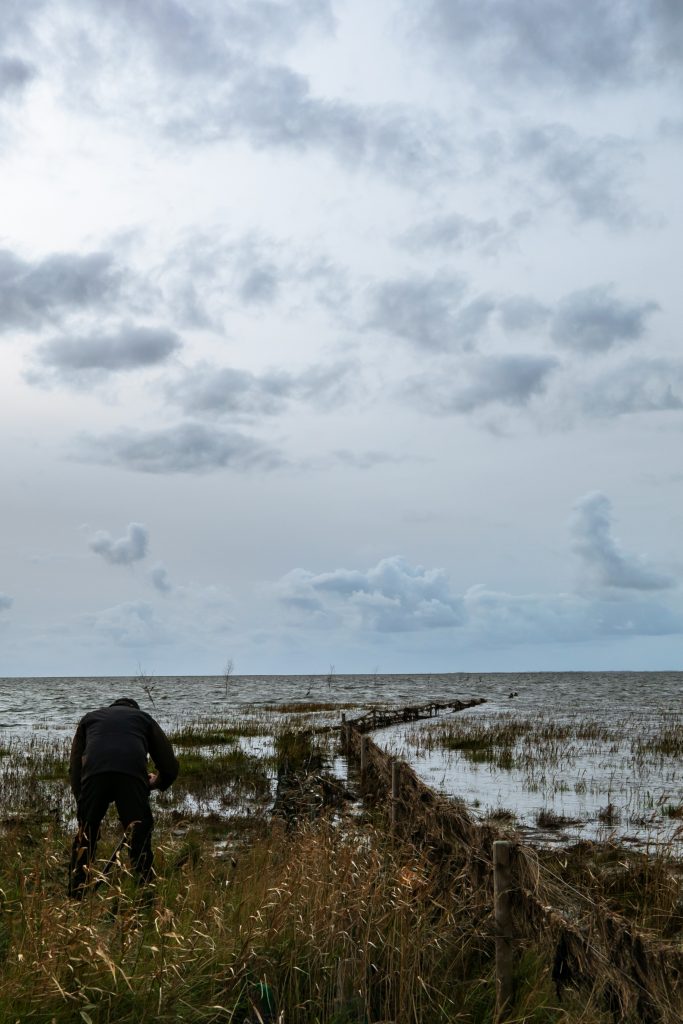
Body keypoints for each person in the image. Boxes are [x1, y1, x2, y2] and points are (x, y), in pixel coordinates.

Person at [68, 697, 179, 898]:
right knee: (140, 834)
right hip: (131, 777)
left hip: (94, 776)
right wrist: (156, 783)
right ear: (134, 710)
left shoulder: (90, 719)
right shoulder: (143, 719)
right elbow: (169, 766)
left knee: (86, 834)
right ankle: (144, 891)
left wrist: (82, 804)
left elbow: (75, 767)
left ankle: (76, 893)